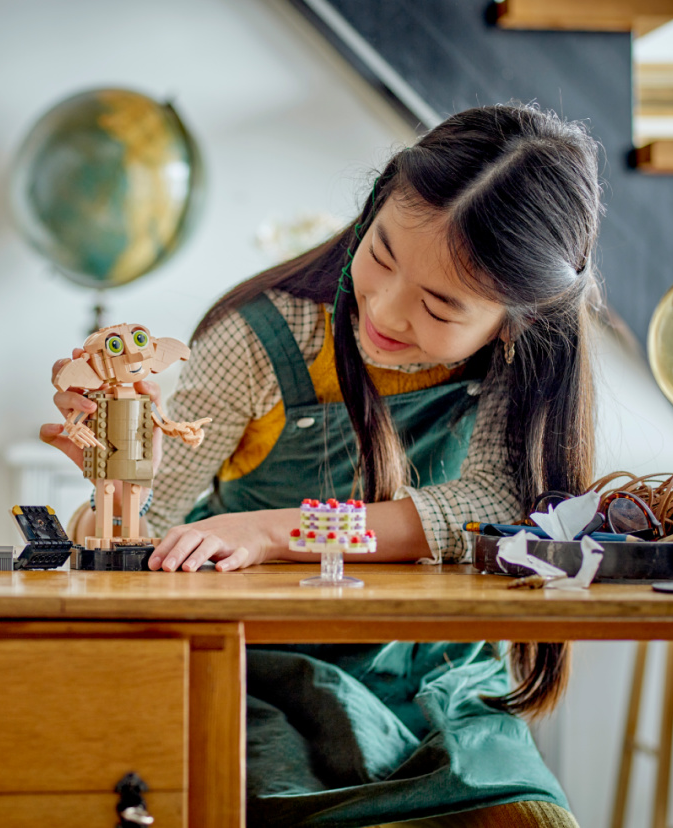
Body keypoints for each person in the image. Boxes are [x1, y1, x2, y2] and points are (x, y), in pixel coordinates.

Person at [42, 102, 602, 825]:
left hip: (440, 680)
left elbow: (490, 504)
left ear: (518, 318)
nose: (388, 312)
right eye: (383, 255)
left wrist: (276, 532)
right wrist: (109, 488)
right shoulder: (260, 341)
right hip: (262, 674)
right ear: (373, 207)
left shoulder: (513, 362)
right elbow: (143, 516)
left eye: (439, 305)